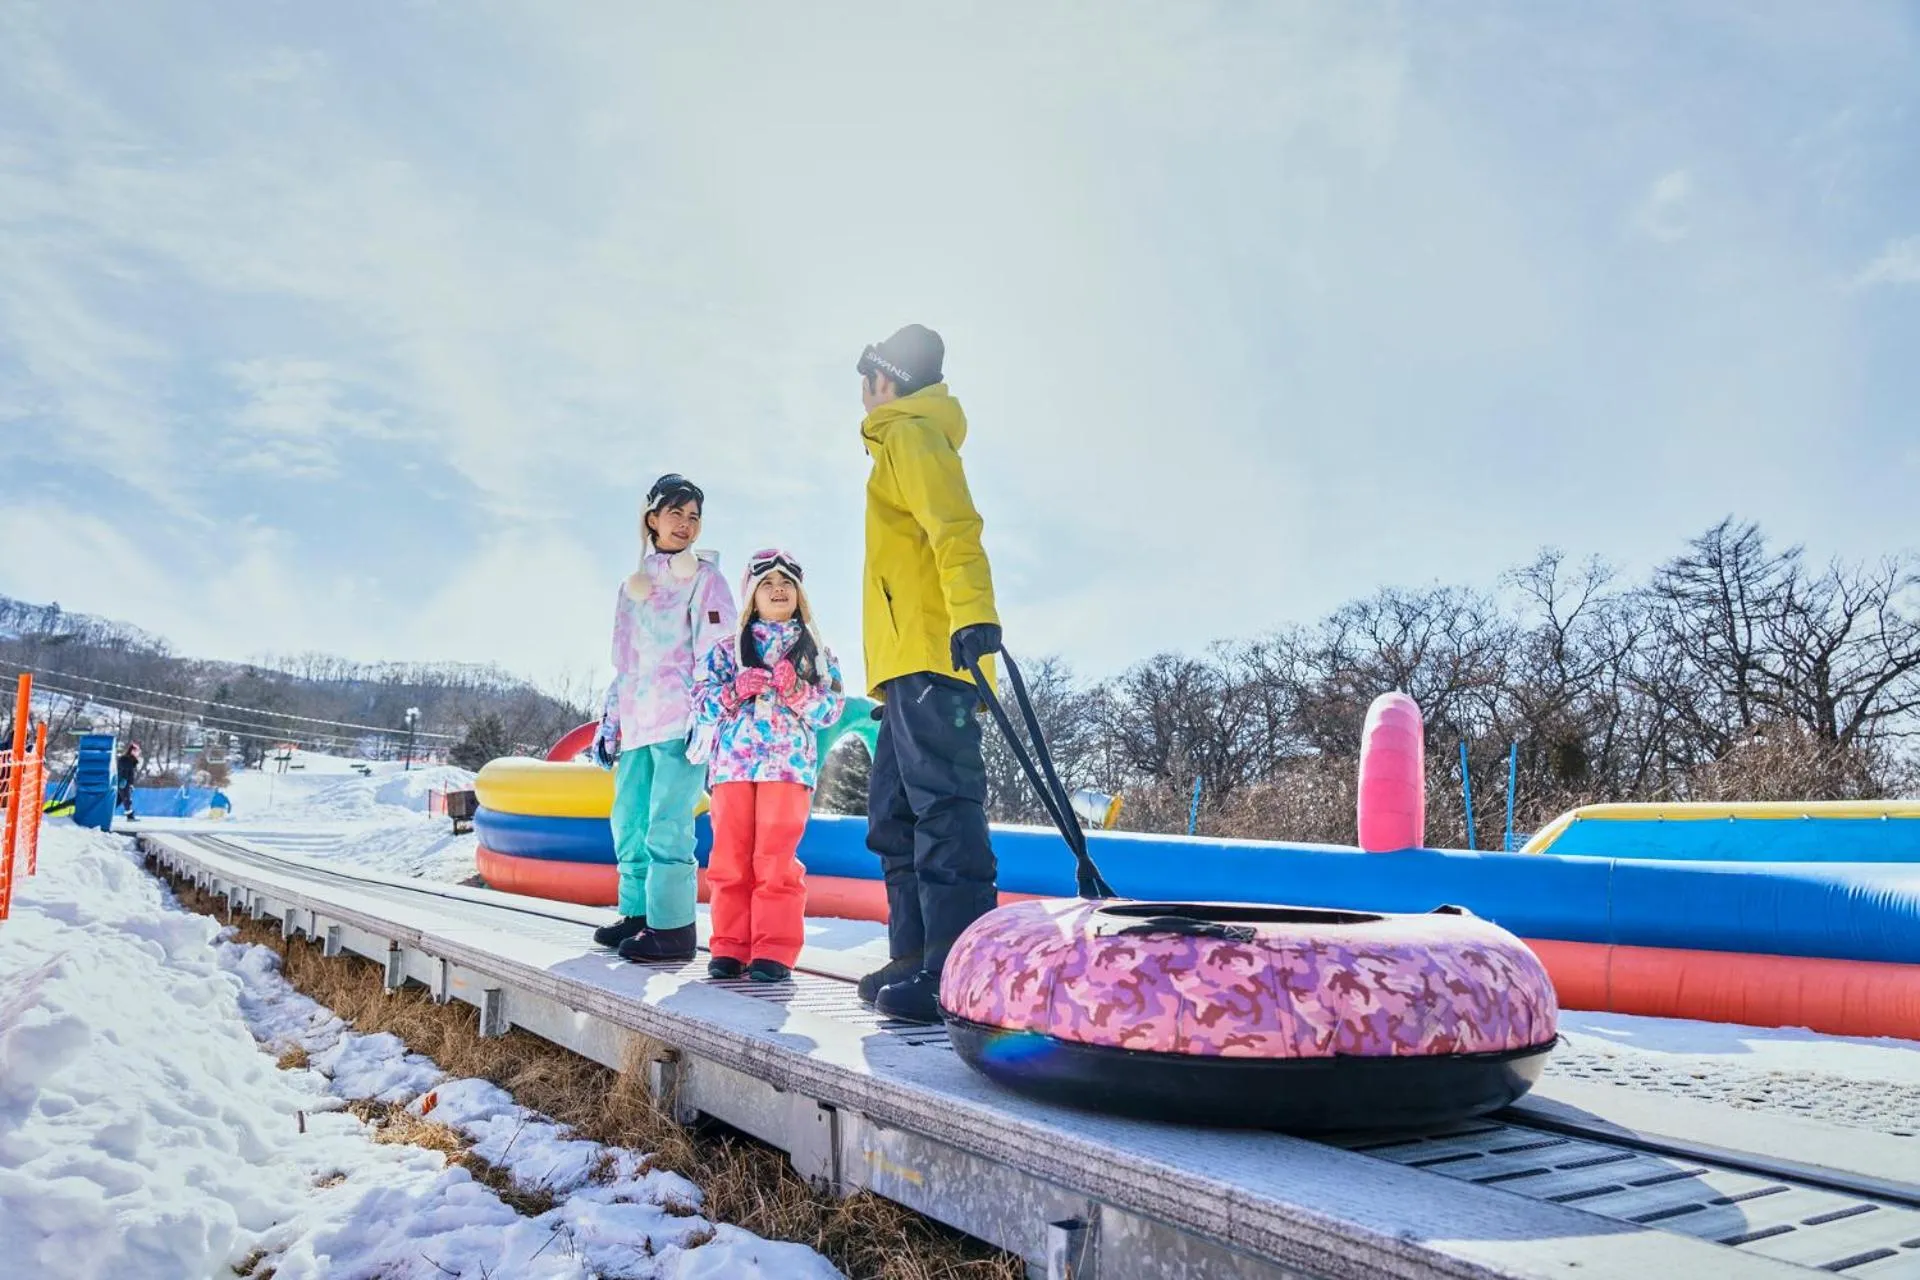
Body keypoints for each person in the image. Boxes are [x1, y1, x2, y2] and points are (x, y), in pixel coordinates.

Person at [854, 324, 1006, 1024]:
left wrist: (975, 616)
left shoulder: (914, 434)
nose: (859, 392)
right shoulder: (894, 445)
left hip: (934, 658)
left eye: (866, 377)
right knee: (894, 816)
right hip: (900, 670)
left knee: (943, 811)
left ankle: (955, 966)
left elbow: (956, 527)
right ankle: (914, 954)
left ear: (887, 381)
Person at [590, 473, 738, 963]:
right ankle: (637, 912)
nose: (686, 524)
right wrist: (611, 716)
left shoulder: (704, 579)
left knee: (668, 822)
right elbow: (623, 660)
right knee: (629, 819)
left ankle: (672, 927)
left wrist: (709, 714)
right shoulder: (632, 587)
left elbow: (718, 649)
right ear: (652, 518)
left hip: (680, 719)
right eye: (676, 513)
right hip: (636, 720)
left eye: (694, 516)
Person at [690, 548, 845, 982]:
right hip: (734, 768)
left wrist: (797, 691)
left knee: (775, 860)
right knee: (730, 859)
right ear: (751, 596)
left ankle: (773, 950)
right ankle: (729, 947)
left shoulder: (815, 653)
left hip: (787, 767)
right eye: (767, 584)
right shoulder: (726, 651)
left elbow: (832, 709)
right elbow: (700, 706)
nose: (778, 591)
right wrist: (734, 691)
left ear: (799, 595)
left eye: (786, 584)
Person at [115, 741, 142, 820]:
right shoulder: (125, 759)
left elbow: (130, 772)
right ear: (132, 751)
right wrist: (124, 780)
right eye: (137, 751)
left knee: (119, 800)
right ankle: (130, 816)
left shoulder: (130, 760)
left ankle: (105, 812)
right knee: (126, 799)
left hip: (125, 782)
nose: (138, 753)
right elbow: (124, 771)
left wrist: (131, 783)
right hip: (123, 782)